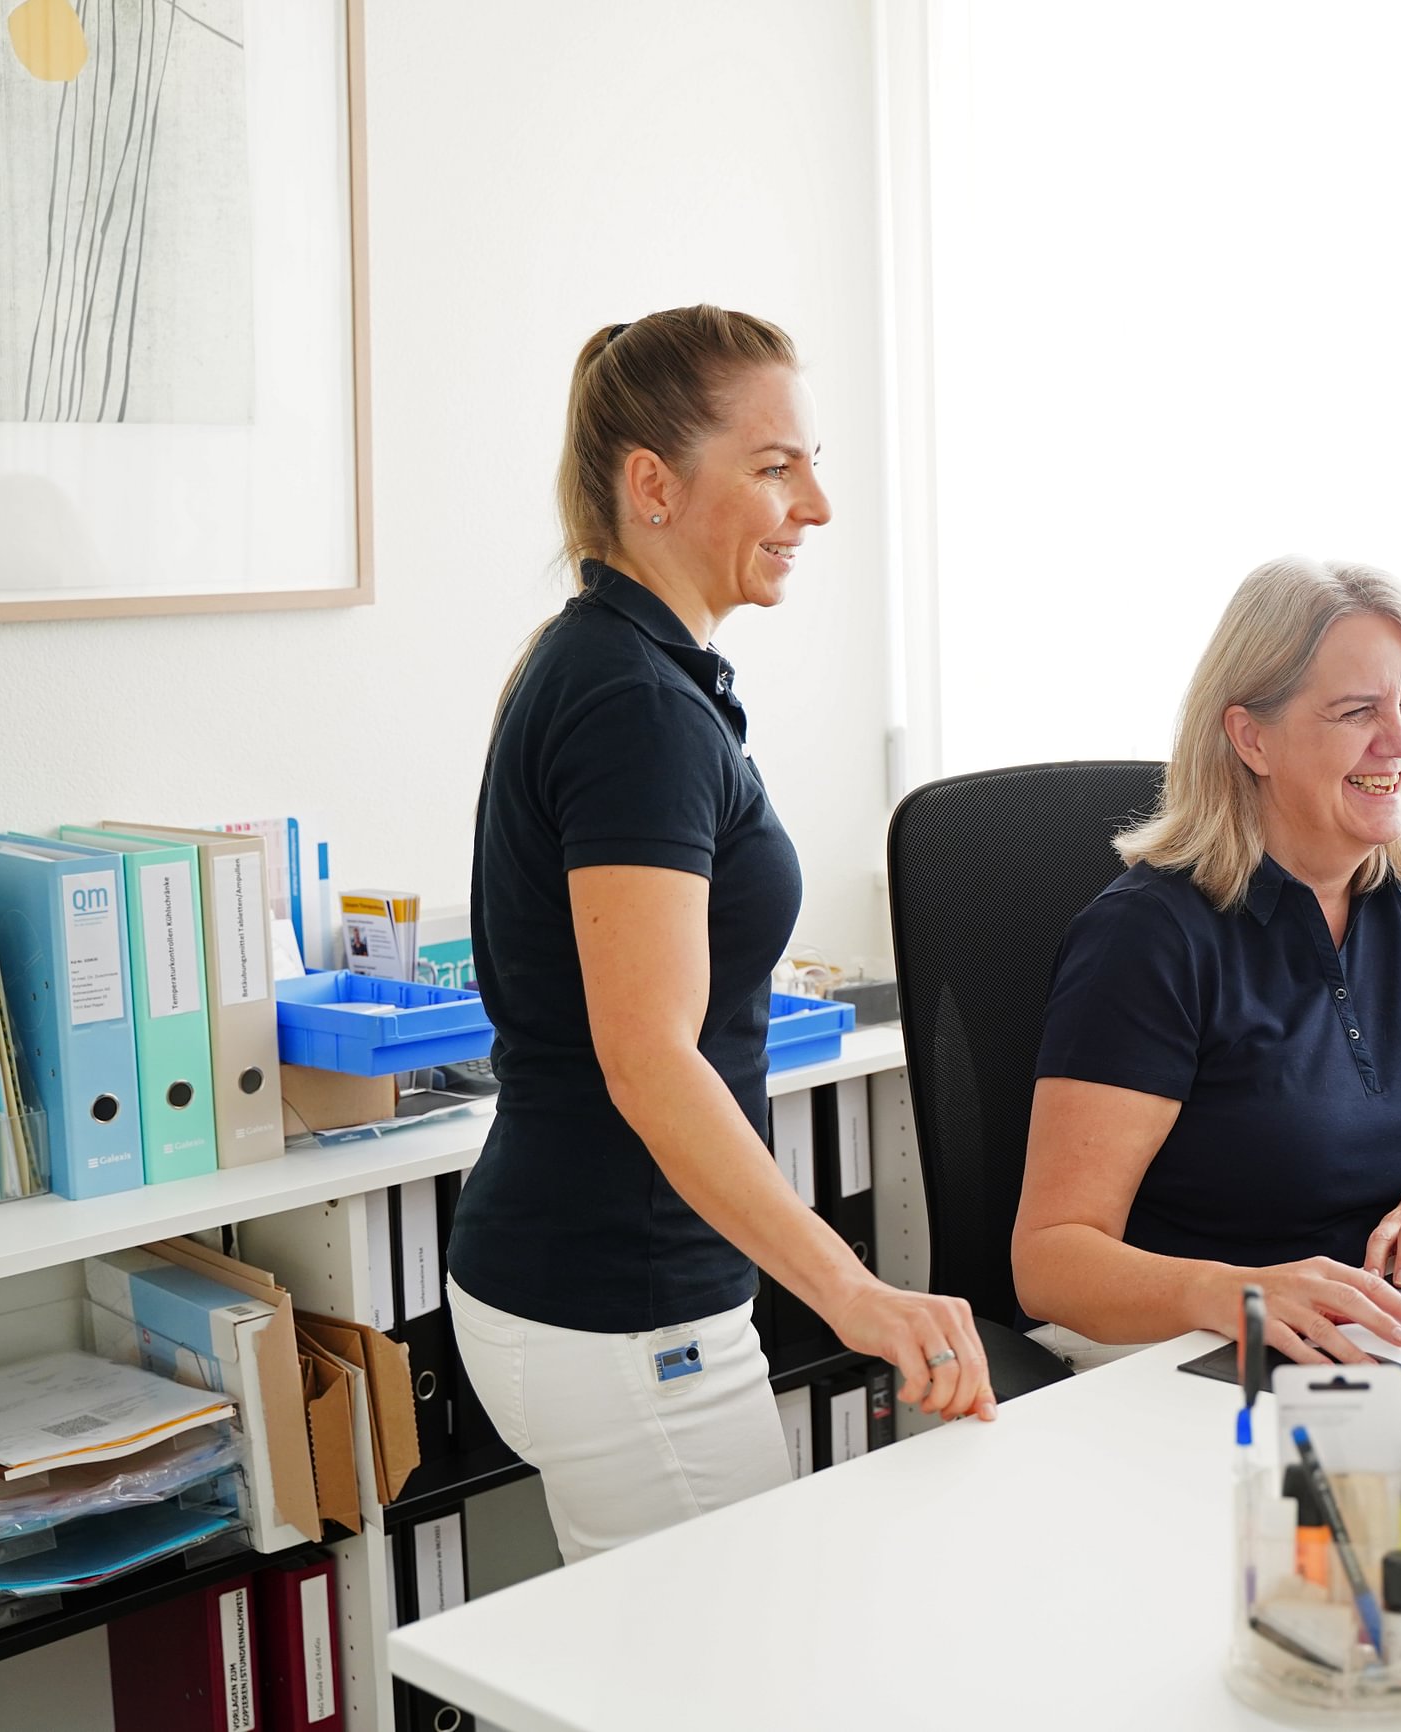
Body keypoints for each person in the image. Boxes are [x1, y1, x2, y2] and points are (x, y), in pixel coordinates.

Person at [446, 306, 994, 1565]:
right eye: (773, 466)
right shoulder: (633, 704)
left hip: (600, 1292)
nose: (816, 504)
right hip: (623, 1313)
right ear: (652, 484)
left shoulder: (622, 665)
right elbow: (650, 1059)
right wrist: (850, 1290)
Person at [1013, 556, 1401, 1367]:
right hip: (1204, 1355)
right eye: (1356, 712)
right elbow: (1051, 1260)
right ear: (1251, 737)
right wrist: (1237, 1293)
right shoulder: (1147, 938)